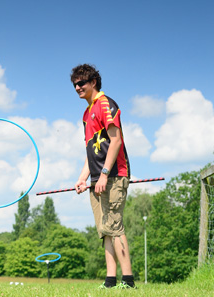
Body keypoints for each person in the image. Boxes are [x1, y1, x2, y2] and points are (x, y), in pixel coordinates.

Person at [71, 64, 135, 289]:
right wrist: (82, 178)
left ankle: (128, 282)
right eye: (75, 84)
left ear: (93, 82)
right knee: (104, 229)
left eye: (81, 83)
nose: (77, 87)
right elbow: (92, 151)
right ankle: (110, 281)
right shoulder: (87, 113)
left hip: (114, 175)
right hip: (97, 180)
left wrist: (106, 174)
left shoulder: (105, 104)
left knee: (115, 226)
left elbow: (115, 140)